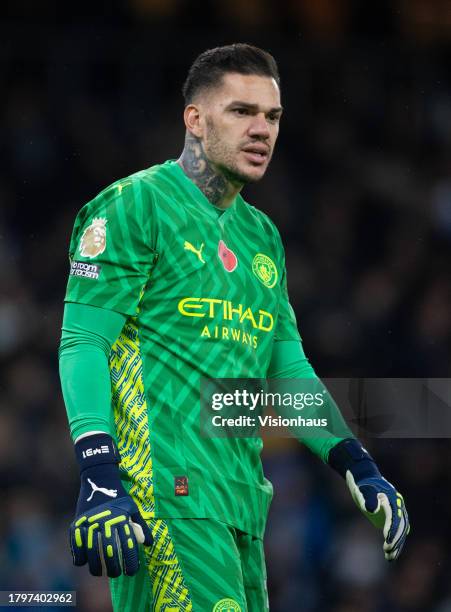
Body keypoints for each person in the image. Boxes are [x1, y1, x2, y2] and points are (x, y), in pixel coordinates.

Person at [59, 43, 409, 612]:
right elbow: (83, 342)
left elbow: (286, 366)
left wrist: (356, 462)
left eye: (272, 116)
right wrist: (99, 472)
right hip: (167, 500)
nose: (262, 130)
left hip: (242, 506)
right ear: (195, 119)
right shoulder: (133, 205)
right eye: (241, 111)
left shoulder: (262, 237)